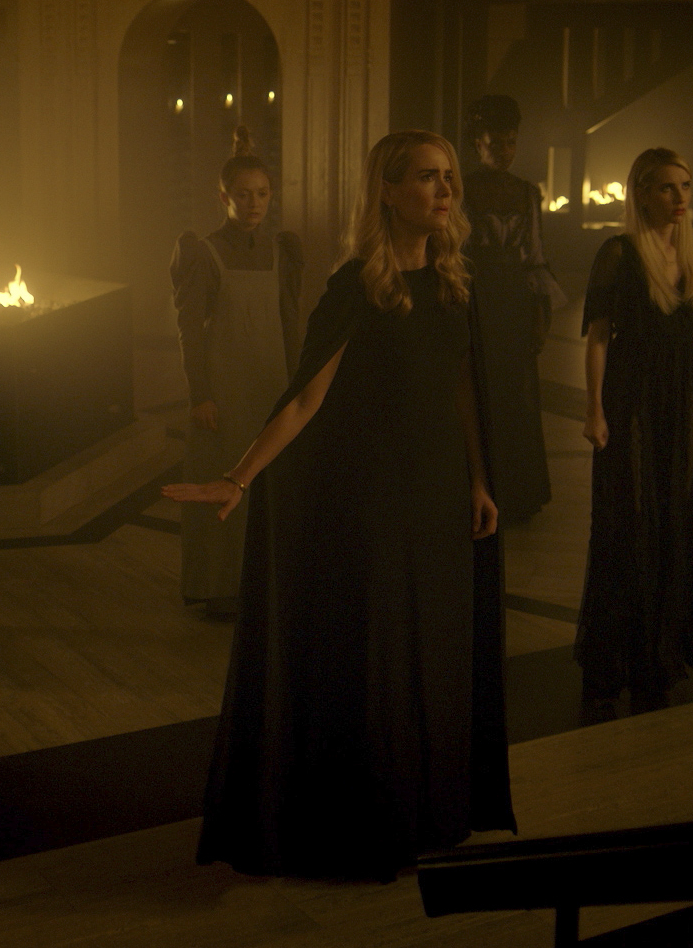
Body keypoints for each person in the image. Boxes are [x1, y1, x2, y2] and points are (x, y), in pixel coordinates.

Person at [164, 130, 516, 880]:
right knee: (385, 653)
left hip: (439, 489)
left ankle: (433, 810)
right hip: (376, 495)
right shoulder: (357, 284)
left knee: (438, 647)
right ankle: (376, 818)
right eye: (426, 177)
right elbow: (305, 400)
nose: (445, 190)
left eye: (448, 176)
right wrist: (239, 477)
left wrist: (479, 480)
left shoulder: (456, 279)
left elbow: (464, 386)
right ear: (387, 190)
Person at [579, 146, 693, 719]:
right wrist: (595, 410)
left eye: (685, 186)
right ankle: (611, 663)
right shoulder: (619, 253)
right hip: (632, 396)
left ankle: (658, 659)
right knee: (629, 520)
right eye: (667, 187)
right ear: (642, 193)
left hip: (679, 399)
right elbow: (598, 337)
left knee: (675, 518)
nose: (680, 198)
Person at [169, 125, 303, 614]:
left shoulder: (281, 251)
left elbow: (289, 323)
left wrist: (297, 388)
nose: (254, 204)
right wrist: (200, 394)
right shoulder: (202, 253)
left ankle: (267, 587)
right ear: (224, 197)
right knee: (220, 482)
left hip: (270, 385)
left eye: (262, 194)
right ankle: (218, 586)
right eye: (243, 195)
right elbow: (189, 329)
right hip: (224, 391)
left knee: (270, 486)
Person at [463, 94, 564, 524]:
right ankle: (478, 488)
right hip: (475, 296)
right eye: (495, 142)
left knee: (517, 395)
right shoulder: (462, 189)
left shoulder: (527, 192)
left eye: (510, 142)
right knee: (477, 388)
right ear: (477, 143)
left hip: (513, 301)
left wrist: (540, 312)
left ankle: (517, 493)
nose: (504, 151)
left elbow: (535, 255)